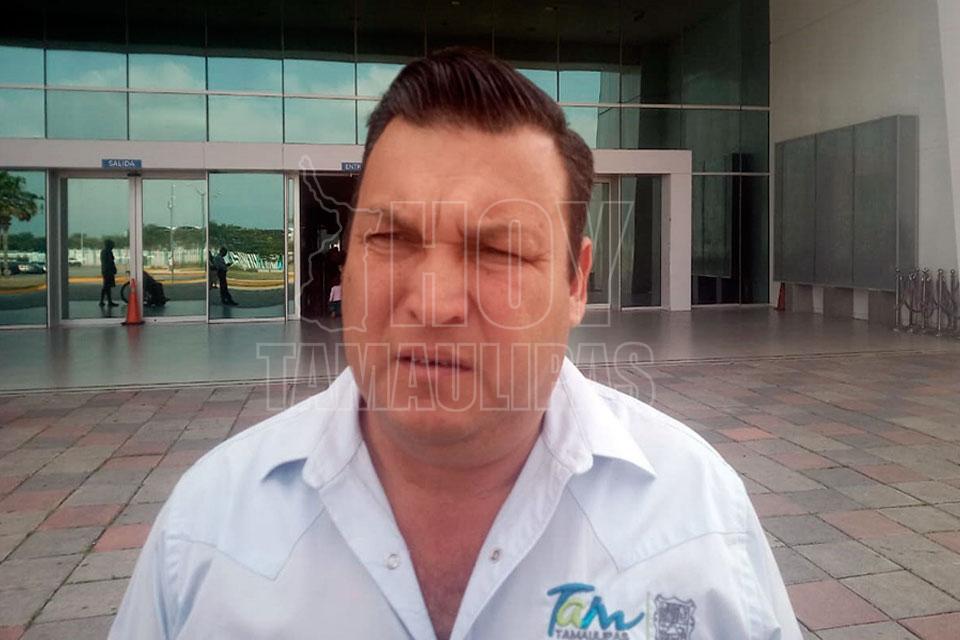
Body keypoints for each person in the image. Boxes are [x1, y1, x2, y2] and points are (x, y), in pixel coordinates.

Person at [111, 48, 801, 640]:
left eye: (498, 250)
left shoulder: (697, 520)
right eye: (391, 238)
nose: (434, 303)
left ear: (576, 282)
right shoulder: (206, 533)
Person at [99, 239, 118, 308]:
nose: (113, 246)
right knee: (106, 286)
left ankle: (108, 301)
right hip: (107, 271)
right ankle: (103, 301)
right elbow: (109, 262)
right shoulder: (106, 252)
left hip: (107, 271)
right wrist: (113, 269)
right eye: (112, 245)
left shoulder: (106, 251)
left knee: (107, 287)